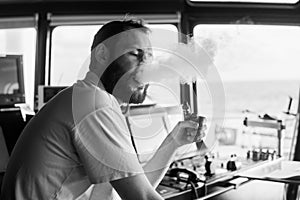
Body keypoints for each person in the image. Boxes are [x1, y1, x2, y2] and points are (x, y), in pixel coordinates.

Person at [1, 19, 206, 200]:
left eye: (149, 57)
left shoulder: (91, 99)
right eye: (135, 54)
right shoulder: (93, 103)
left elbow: (125, 191)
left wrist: (174, 141)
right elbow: (141, 197)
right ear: (102, 54)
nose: (146, 67)